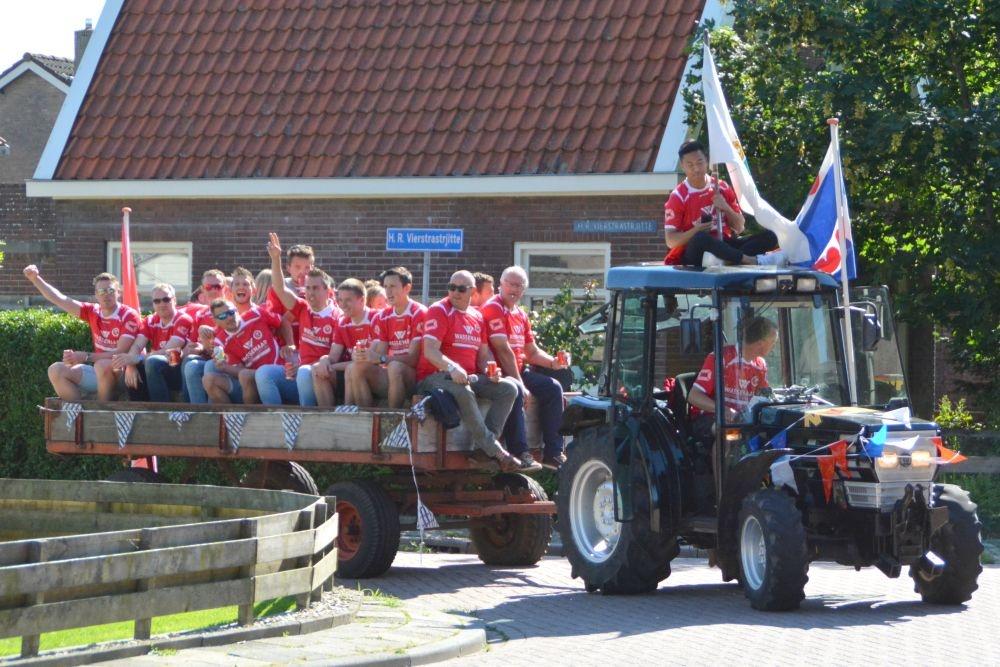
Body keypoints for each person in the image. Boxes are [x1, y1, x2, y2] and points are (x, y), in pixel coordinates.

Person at [416, 270, 522, 472]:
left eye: (461, 289)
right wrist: (452, 367)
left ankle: (481, 452)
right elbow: (430, 351)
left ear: (472, 292)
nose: (455, 292)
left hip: (467, 376)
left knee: (509, 388)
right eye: (451, 287)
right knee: (463, 390)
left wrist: (492, 370)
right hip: (434, 377)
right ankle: (495, 449)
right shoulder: (439, 310)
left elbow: (483, 356)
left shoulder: (476, 316)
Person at [482, 266, 569, 471]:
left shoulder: (520, 314)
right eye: (510, 284)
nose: (514, 289)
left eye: (519, 286)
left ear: (524, 290)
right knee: (517, 390)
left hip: (519, 370)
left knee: (553, 387)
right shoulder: (493, 307)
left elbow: (530, 351)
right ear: (501, 285)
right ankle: (520, 452)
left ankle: (553, 453)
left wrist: (553, 363)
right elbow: (503, 350)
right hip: (497, 374)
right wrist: (521, 384)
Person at [23, 266, 140, 401]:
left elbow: (119, 354)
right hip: (100, 372)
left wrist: (85, 357)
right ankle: (80, 415)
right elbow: (60, 299)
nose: (106, 295)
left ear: (118, 292)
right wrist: (35, 279)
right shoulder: (92, 311)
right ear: (96, 295)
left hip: (125, 375)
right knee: (56, 370)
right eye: (101, 291)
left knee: (102, 364)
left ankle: (99, 412)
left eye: (110, 290)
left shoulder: (129, 315)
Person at [664, 141, 786, 268]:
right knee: (701, 238)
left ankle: (727, 259)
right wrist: (696, 229)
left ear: (706, 161)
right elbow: (671, 241)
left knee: (772, 235)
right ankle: (748, 260)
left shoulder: (721, 187)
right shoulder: (678, 196)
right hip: (696, 251)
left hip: (724, 244)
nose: (696, 168)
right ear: (683, 166)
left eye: (699, 162)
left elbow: (739, 227)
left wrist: (725, 207)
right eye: (690, 165)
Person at [267, 232, 341, 406]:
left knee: (306, 371)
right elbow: (279, 288)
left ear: (328, 291)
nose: (310, 292)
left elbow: (335, 356)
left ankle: (307, 417)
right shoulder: (302, 307)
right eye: (308, 288)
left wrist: (317, 363)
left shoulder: (337, 316)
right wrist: (275, 258)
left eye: (315, 288)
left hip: (325, 373)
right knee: (264, 374)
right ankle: (274, 419)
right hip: (300, 369)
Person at [686, 316, 778, 443]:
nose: (774, 346)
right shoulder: (721, 357)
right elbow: (693, 396)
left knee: (771, 432)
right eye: (773, 342)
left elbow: (764, 395)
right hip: (710, 417)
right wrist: (723, 410)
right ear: (760, 343)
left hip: (743, 420)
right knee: (730, 434)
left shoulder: (760, 365)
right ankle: (722, 463)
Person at [348, 266, 426, 408]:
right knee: (356, 367)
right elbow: (380, 354)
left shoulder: (419, 312)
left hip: (415, 378)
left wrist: (382, 359)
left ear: (407, 288)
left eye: (393, 286)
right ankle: (366, 418)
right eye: (385, 286)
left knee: (395, 367)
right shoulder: (383, 316)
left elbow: (413, 359)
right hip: (391, 373)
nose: (388, 291)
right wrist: (363, 355)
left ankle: (391, 420)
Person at [114, 283, 193, 402]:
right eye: (157, 301)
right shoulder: (150, 320)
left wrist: (137, 358)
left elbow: (170, 351)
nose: (162, 304)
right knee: (134, 367)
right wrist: (130, 364)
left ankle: (160, 411)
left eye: (166, 299)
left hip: (178, 367)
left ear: (175, 300)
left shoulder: (183, 319)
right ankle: (139, 411)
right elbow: (137, 345)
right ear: (153, 304)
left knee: (151, 361)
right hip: (158, 367)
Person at [202, 298, 291, 404]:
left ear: (236, 310)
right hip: (253, 380)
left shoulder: (256, 313)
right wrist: (225, 367)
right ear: (215, 321)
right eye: (222, 316)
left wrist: (290, 343)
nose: (229, 317)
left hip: (278, 371)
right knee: (208, 380)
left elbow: (282, 321)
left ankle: (253, 416)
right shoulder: (219, 343)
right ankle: (231, 418)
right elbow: (239, 371)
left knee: (252, 374)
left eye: (231, 312)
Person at [311, 278, 374, 406]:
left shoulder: (376, 318)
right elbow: (333, 356)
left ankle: (351, 415)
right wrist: (324, 360)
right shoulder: (342, 322)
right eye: (340, 300)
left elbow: (368, 361)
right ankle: (328, 418)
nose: (342, 305)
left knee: (354, 368)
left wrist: (332, 366)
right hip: (349, 370)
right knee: (318, 369)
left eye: (348, 300)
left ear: (362, 300)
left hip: (373, 373)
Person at [180, 269, 228, 403]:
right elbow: (192, 344)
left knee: (210, 366)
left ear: (225, 288)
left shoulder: (231, 311)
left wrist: (211, 335)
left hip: (228, 361)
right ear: (203, 289)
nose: (213, 290)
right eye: (208, 287)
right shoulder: (200, 315)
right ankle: (193, 410)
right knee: (190, 363)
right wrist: (195, 348)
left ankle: (209, 413)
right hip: (207, 357)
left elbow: (227, 348)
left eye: (217, 286)